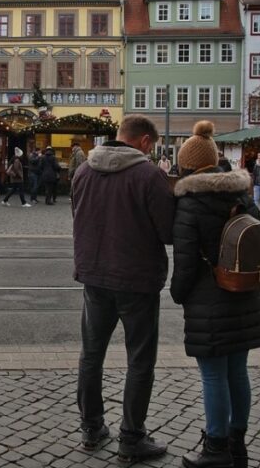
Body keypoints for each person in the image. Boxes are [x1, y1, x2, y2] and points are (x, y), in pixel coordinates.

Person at [72, 115, 174, 462]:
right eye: (153, 145)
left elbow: (78, 216)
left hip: (95, 275)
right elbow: (169, 232)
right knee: (140, 360)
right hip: (137, 279)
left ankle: (91, 426)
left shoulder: (84, 171)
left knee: (91, 354)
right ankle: (131, 437)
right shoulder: (150, 175)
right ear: (145, 141)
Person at [171, 121, 260, 468]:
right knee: (237, 372)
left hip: (207, 298)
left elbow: (184, 262)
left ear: (188, 166)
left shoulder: (191, 204)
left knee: (213, 375)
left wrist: (178, 294)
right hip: (244, 292)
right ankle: (237, 443)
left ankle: (215, 447)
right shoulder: (241, 195)